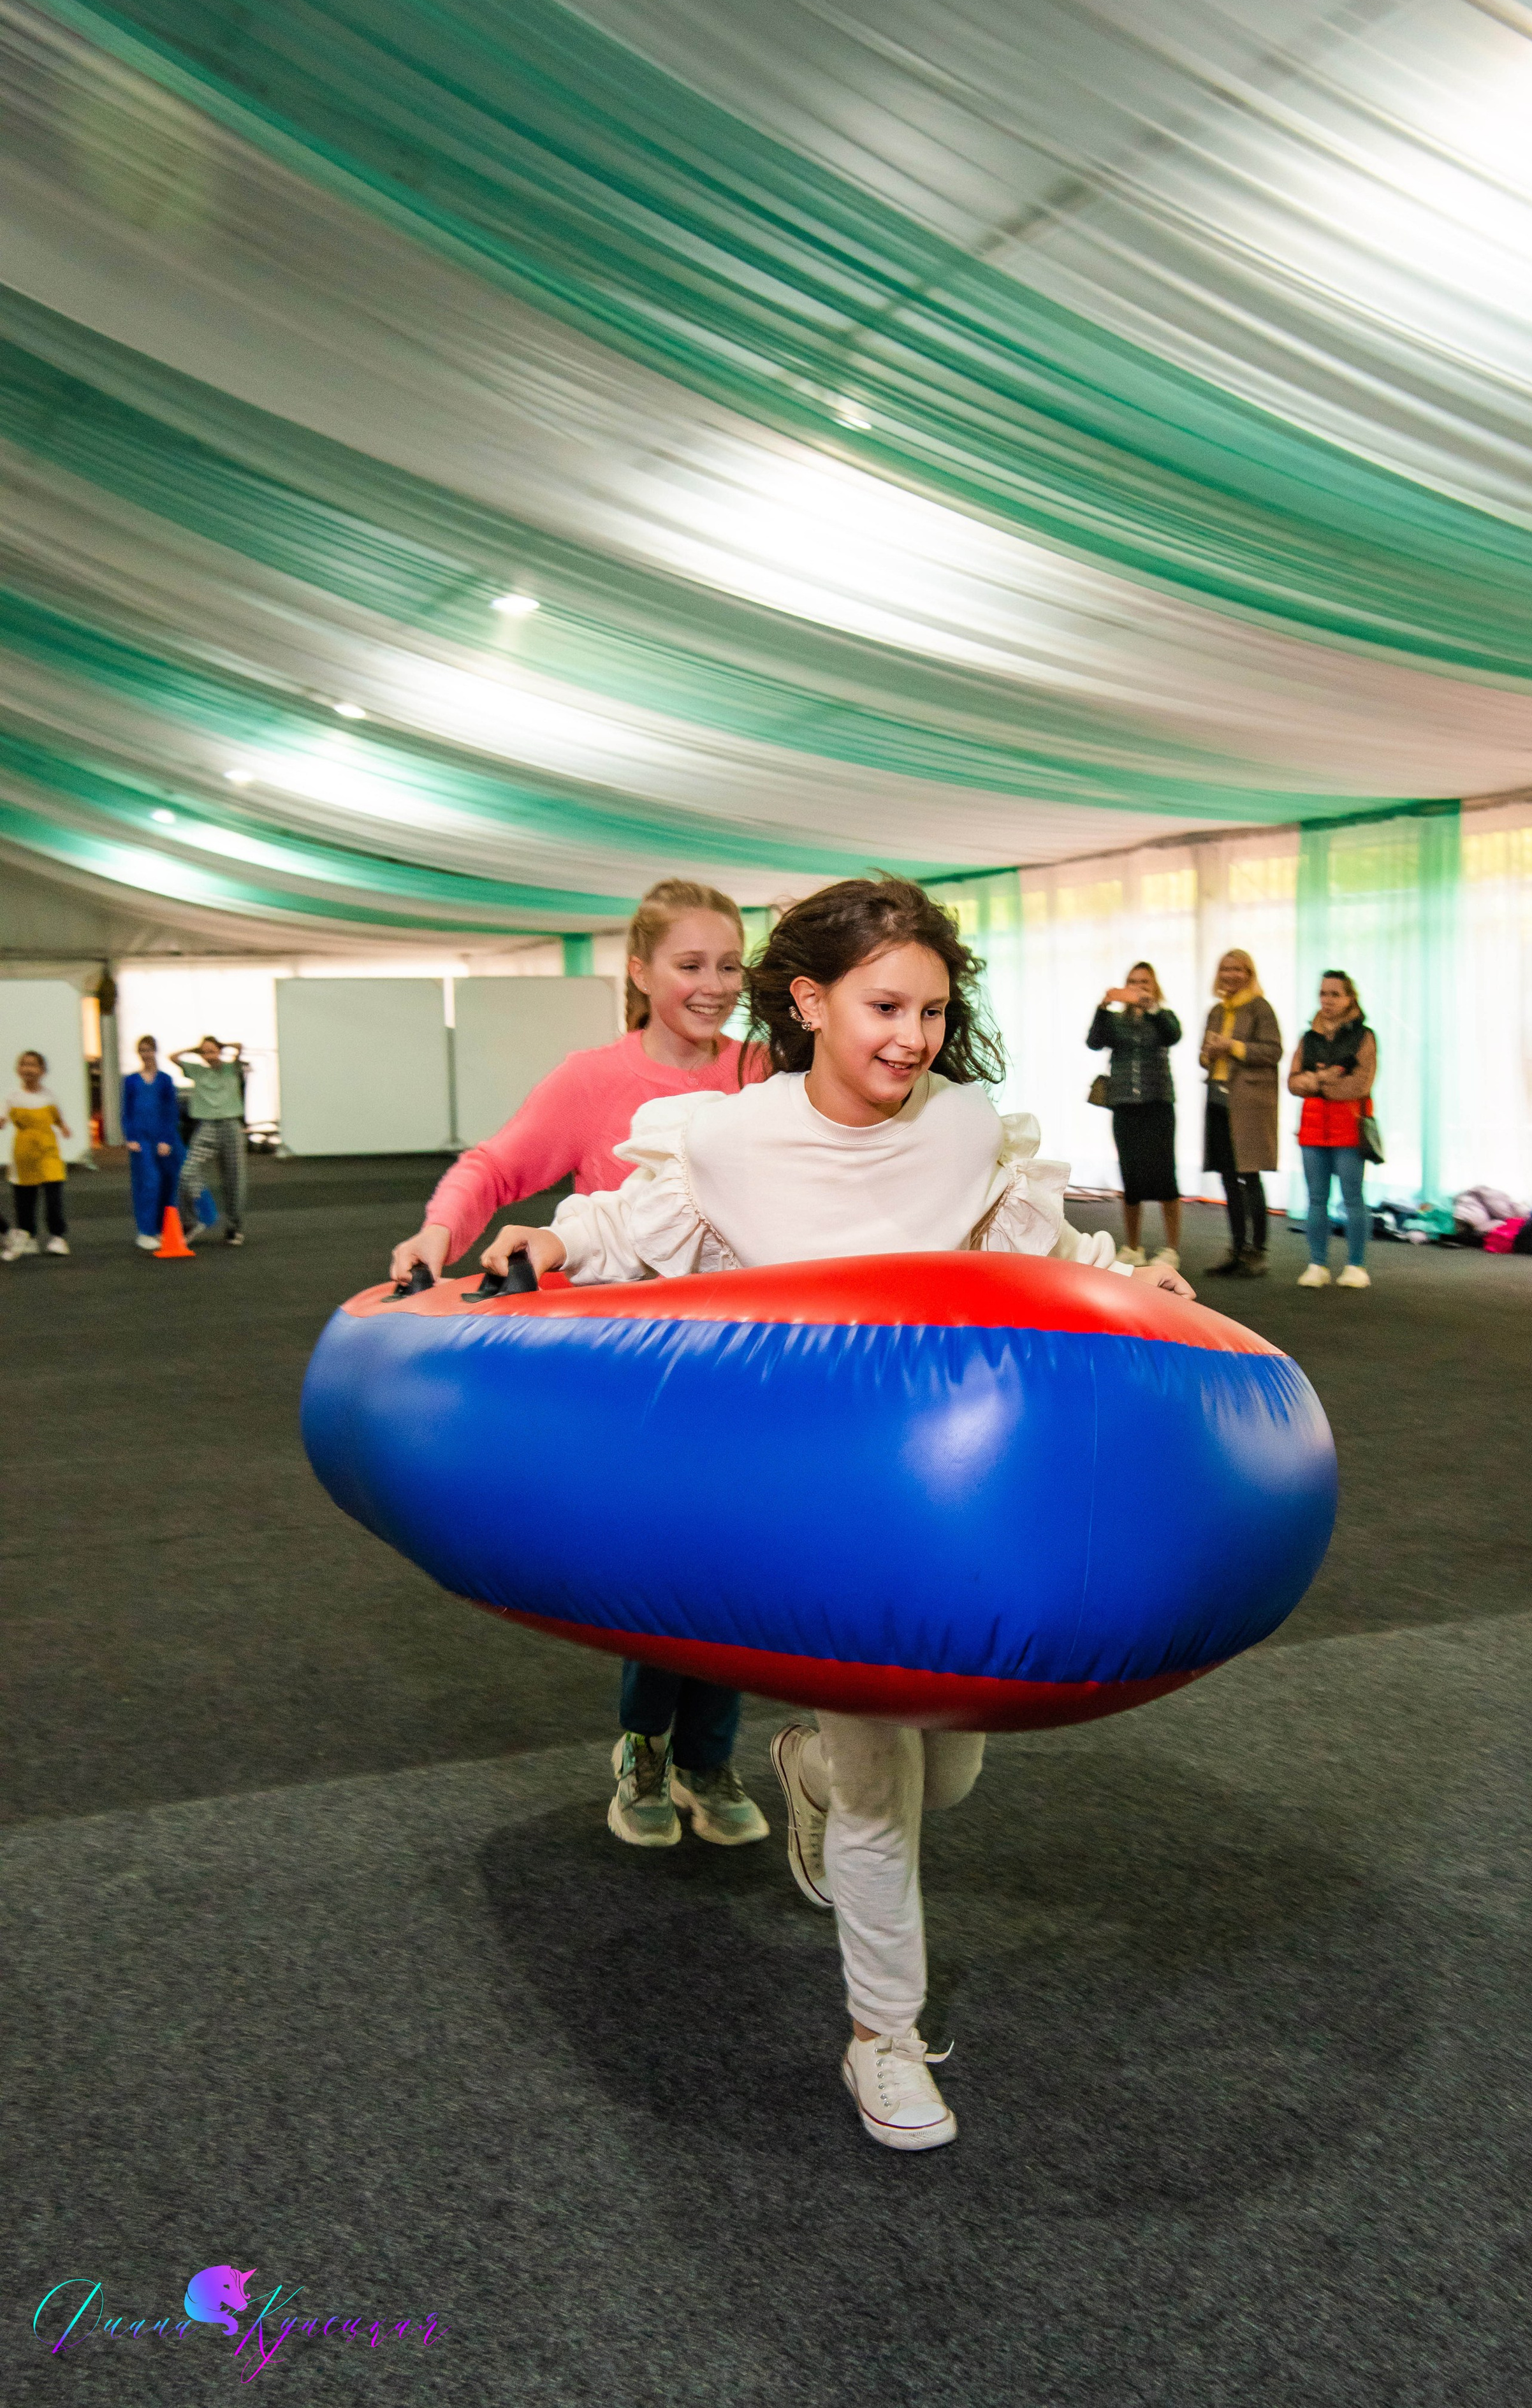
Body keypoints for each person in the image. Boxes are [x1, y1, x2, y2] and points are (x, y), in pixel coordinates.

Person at [478, 875, 1195, 2152]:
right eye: (884, 1007)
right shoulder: (728, 1139)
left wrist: (1132, 1277)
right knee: (883, 1781)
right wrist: (544, 1245)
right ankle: (884, 2037)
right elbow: (616, 1229)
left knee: (948, 1767)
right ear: (809, 1002)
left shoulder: (962, 1128)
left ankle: (801, 1767)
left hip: (943, 1505)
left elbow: (1037, 1248)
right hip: (815, 1507)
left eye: (933, 1010)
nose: (913, 1038)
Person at [390, 877, 771, 1853]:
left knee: (734, 1563)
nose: (715, 984)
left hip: (745, 1363)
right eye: (690, 964)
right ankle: (646, 1746)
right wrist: (437, 1232)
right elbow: (496, 1166)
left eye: (730, 965)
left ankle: (707, 1757)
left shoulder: (764, 1071)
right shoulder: (593, 1079)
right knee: (669, 1568)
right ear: (639, 971)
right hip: (632, 1372)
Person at [1087, 961, 1183, 1269]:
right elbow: (1094, 1042)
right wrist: (1103, 1007)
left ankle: (1171, 1249)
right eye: (1133, 982)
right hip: (1124, 1104)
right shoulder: (1115, 1021)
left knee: (1165, 1174)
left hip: (1158, 1104)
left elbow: (1173, 1036)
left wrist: (1151, 1007)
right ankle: (1133, 1246)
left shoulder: (1164, 1017)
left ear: (1154, 987)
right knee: (1130, 1176)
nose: (1138, 987)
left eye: (1144, 982)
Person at [1289, 970, 1378, 1290]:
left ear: (1350, 998)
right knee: (1316, 1199)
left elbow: (1360, 1084)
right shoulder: (1308, 1038)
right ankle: (1317, 1264)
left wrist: (1317, 1082)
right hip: (1312, 1128)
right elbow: (1293, 1083)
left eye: (1335, 994)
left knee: (1353, 1198)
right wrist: (1326, 1078)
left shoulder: (1365, 1037)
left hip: (1349, 1127)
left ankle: (1356, 1266)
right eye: (1323, 993)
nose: (1327, 1000)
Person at [1199, 948, 1282, 1279]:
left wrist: (1231, 1046)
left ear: (1249, 974)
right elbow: (1204, 1056)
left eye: (1238, 969)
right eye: (1225, 969)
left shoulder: (1261, 1008)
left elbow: (1273, 1051)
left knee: (1250, 1176)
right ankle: (1236, 1247)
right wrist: (1207, 1054)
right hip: (1218, 1100)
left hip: (1249, 1104)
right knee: (1228, 1177)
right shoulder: (1217, 1011)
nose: (1231, 975)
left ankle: (1257, 1251)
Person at [171, 1036, 249, 1246]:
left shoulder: (231, 1068)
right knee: (187, 1172)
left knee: (234, 1180)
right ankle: (191, 1222)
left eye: (212, 1051)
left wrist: (222, 1046)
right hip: (207, 1126)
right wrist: (194, 1049)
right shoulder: (197, 1070)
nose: (209, 1055)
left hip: (231, 1126)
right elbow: (173, 1057)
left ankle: (234, 1228)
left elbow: (240, 1046)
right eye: (205, 1052)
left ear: (219, 1051)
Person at [2, 1050, 71, 1259]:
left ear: (42, 1071)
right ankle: (28, 1236)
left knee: (53, 1197)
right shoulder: (12, 1097)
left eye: (33, 1065)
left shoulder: (49, 1097)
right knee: (24, 1198)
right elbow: (3, 1119)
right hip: (24, 1154)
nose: (28, 1069)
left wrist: (64, 1127)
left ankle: (57, 1237)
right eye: (24, 1064)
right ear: (18, 1070)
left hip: (48, 1153)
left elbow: (58, 1118)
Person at [122, 1035, 183, 1251]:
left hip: (162, 1138)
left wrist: (167, 1139)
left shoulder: (165, 1080)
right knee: (149, 1182)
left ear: (155, 1051)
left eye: (149, 1050)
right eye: (142, 1050)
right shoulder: (131, 1081)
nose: (146, 1054)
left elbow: (171, 1111)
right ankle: (145, 1231)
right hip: (141, 1139)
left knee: (167, 1182)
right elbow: (127, 1110)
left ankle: (161, 1228)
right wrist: (130, 1137)